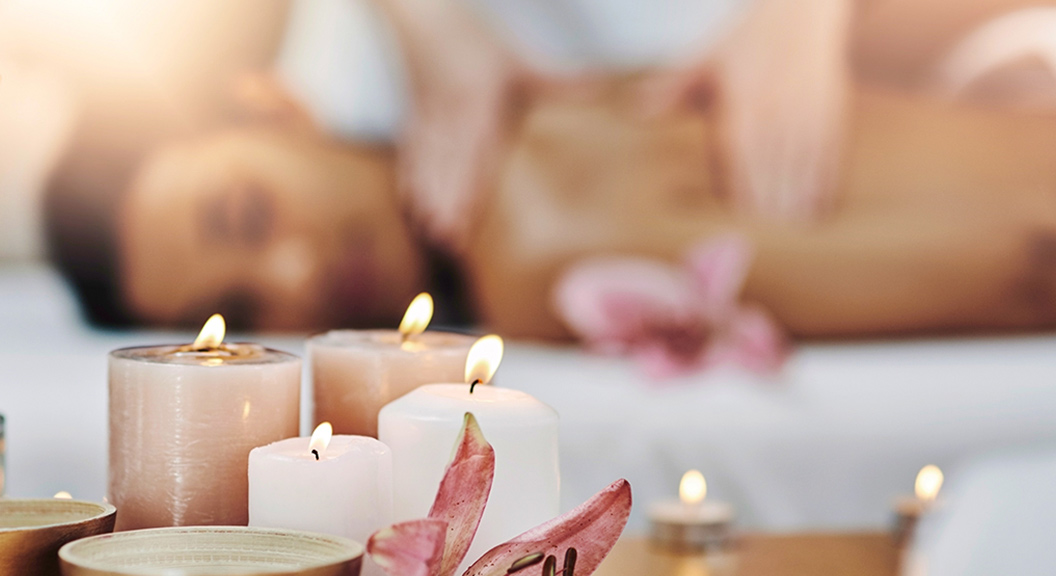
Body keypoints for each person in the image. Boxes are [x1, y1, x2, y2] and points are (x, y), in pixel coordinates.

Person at [43, 0, 1056, 337]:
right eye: (243, 311)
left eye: (247, 215)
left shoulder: (540, 190)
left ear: (273, 105)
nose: (297, 279)